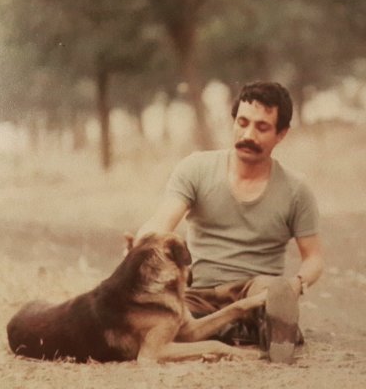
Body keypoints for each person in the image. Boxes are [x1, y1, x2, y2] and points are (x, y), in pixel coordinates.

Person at [136, 81, 323, 363]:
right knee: (169, 315)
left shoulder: (296, 189)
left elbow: (314, 258)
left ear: (281, 134)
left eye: (262, 127)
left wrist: (297, 283)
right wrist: (142, 245)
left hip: (256, 287)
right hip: (199, 291)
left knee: (271, 294)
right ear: (233, 121)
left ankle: (273, 329)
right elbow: (163, 221)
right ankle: (233, 329)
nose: (248, 135)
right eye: (242, 122)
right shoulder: (196, 169)